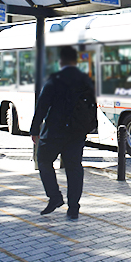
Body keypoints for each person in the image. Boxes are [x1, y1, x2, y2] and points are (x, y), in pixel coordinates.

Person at [30, 46, 94, 218]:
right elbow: (92, 105)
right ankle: (73, 208)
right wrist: (88, 127)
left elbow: (42, 105)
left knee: (43, 161)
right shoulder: (85, 79)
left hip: (55, 131)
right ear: (76, 61)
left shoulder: (55, 79)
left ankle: (55, 197)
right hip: (77, 133)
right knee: (74, 168)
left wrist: (35, 129)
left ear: (61, 61)